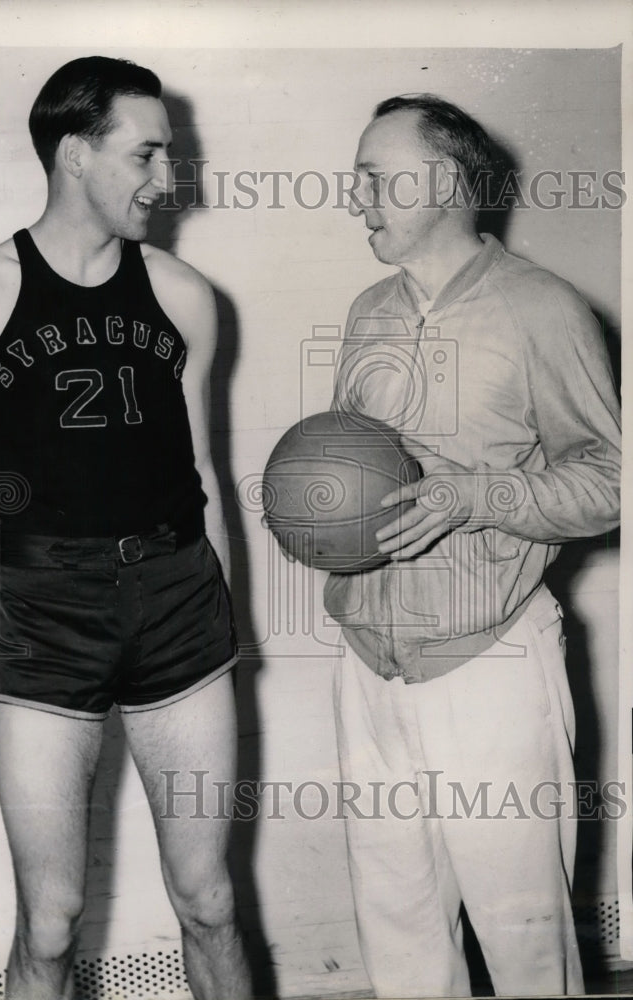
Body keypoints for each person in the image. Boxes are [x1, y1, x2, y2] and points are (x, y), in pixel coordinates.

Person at [0, 56, 251, 1000]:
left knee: (210, 900)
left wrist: (221, 620)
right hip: (43, 610)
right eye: (145, 154)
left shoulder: (185, 296)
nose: (166, 179)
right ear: (75, 155)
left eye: (170, 156)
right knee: (54, 921)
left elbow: (203, 479)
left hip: (180, 599)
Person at [325, 94, 621, 997]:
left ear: (446, 182)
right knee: (400, 937)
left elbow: (613, 478)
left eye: (376, 176)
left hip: (488, 660)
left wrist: (478, 497)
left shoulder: (543, 309)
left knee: (525, 941)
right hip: (369, 665)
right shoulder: (369, 310)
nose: (355, 195)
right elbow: (349, 463)